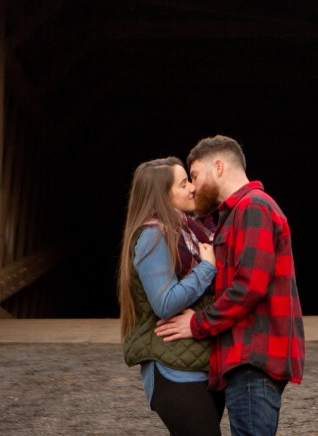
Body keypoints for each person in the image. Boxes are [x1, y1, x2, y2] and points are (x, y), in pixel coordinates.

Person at [155, 136, 304, 436]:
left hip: (252, 358)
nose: (193, 187)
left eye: (195, 175)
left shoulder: (253, 208)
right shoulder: (235, 214)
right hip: (245, 358)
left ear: (219, 166)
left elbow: (248, 287)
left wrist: (197, 323)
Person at [118, 157, 225, 436]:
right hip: (173, 371)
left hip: (197, 365)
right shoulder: (153, 237)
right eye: (183, 183)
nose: (192, 187)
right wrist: (207, 269)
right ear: (164, 195)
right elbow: (164, 303)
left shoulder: (187, 230)